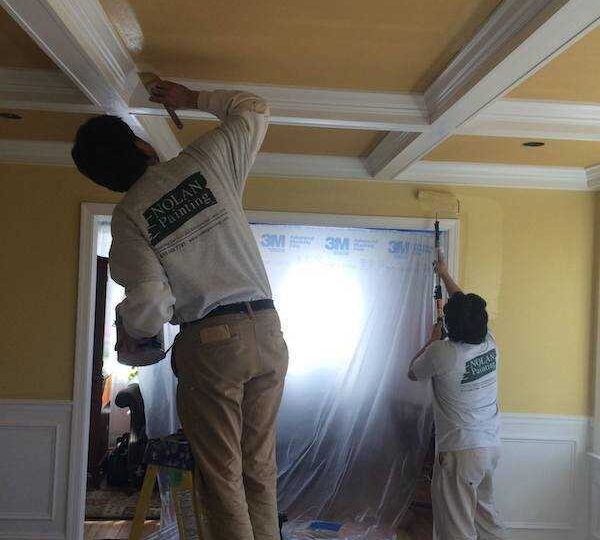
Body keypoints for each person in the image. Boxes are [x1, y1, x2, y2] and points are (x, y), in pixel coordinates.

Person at [72, 79, 289, 540]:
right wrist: (190, 99)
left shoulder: (129, 217)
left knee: (221, 475)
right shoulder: (205, 162)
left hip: (213, 344)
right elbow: (253, 106)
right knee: (259, 466)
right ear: (142, 145)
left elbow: (151, 301)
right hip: (268, 332)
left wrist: (135, 326)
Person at [408, 251, 506, 540]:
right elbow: (465, 306)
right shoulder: (489, 342)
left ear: (451, 327)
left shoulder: (443, 352)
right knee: (486, 522)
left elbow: (413, 372)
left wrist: (431, 340)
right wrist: (445, 274)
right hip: (489, 447)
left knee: (457, 530)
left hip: (460, 453)